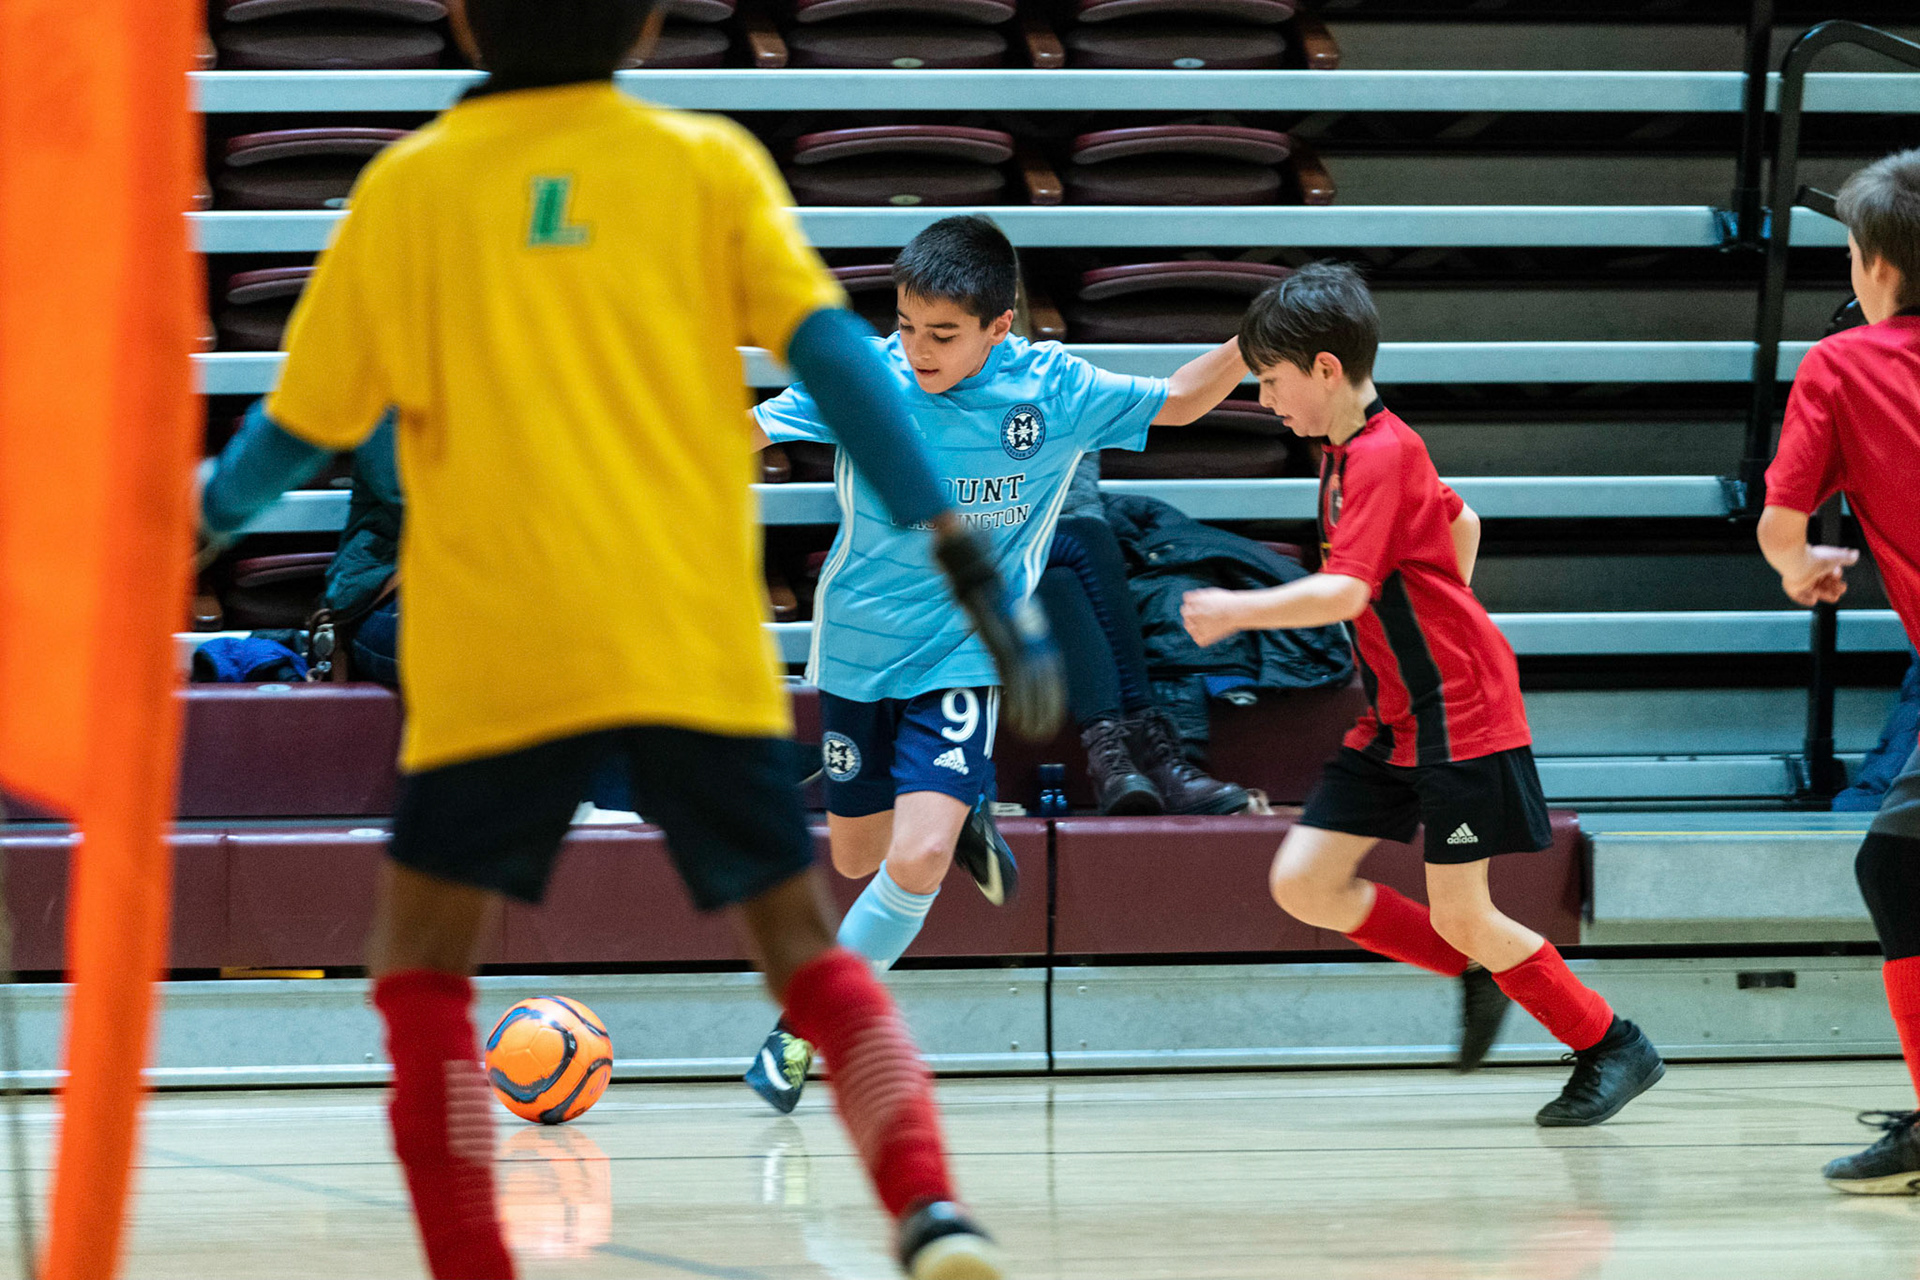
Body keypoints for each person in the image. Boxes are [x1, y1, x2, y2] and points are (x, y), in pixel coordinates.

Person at [196, 3, 1068, 1276]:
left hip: (497, 652)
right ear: (654, 18)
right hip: (688, 641)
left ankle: (470, 1258)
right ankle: (930, 1207)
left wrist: (200, 517)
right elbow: (843, 367)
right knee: (805, 953)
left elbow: (295, 427)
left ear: (457, 12)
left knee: (419, 968)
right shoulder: (706, 162)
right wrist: (956, 548)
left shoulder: (411, 187)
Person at [743, 214, 1250, 1112]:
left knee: (918, 857)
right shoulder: (868, 378)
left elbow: (1176, 400)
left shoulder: (1051, 388)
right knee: (861, 856)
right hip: (860, 647)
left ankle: (799, 1037)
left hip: (967, 649)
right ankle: (966, 805)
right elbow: (745, 431)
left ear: (999, 327)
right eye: (906, 325)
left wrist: (1251, 343)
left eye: (943, 333)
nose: (919, 348)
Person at [1180, 262, 1665, 1126]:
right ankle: (1481, 967)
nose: (1263, 399)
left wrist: (1235, 609)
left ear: (1325, 368)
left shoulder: (1382, 453)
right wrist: (1446, 606)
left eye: (1272, 380)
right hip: (1401, 715)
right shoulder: (1348, 450)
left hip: (1462, 717)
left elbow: (1343, 594)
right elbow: (1461, 518)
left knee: (1465, 911)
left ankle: (1610, 1043)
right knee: (1306, 884)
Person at [1756, 147, 1920, 1194]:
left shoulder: (1843, 363)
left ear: (1871, 265)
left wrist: (1804, 566)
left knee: (1898, 867)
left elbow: (1780, 524)